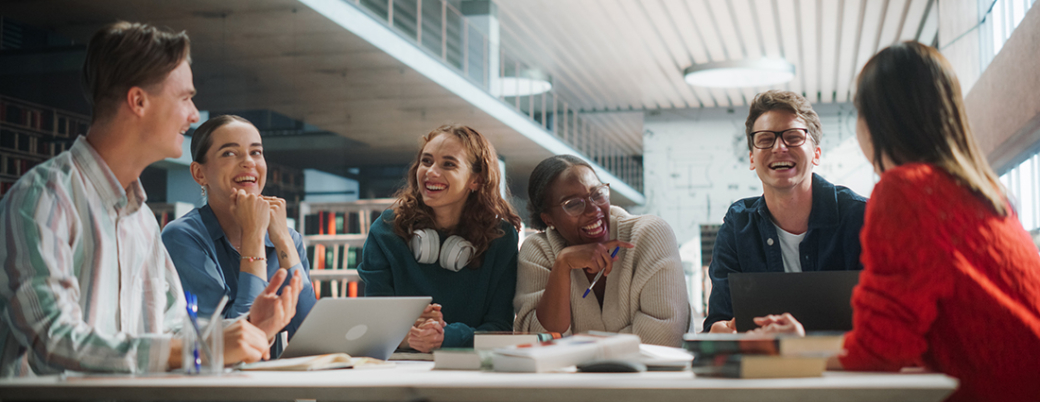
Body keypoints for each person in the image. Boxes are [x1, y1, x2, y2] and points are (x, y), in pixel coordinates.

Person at [752, 41, 1040, 402]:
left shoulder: (906, 191)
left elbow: (880, 351)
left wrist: (790, 351)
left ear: (876, 122)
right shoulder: (982, 191)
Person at [0, 22, 274, 377]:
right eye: (185, 98)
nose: (193, 115)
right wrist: (197, 348)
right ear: (139, 101)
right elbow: (52, 340)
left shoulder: (141, 220)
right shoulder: (44, 199)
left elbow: (171, 332)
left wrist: (251, 326)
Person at [703, 90, 867, 333]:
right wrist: (719, 332)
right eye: (765, 139)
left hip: (845, 369)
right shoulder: (737, 225)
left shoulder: (861, 217)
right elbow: (718, 321)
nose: (779, 147)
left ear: (816, 154)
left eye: (793, 137)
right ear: (751, 158)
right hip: (765, 367)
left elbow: (885, 322)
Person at [358, 124, 522, 352]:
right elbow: (373, 324)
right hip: (399, 368)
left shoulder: (501, 238)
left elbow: (500, 328)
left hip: (470, 370)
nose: (431, 172)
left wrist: (445, 336)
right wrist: (408, 336)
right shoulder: (386, 230)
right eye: (426, 161)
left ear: (476, 180)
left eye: (448, 164)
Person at [162, 115, 314, 351]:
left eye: (256, 152)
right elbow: (234, 340)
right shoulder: (181, 237)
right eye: (229, 153)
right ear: (199, 174)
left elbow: (308, 333)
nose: (248, 162)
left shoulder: (288, 236)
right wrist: (253, 234)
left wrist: (283, 239)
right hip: (218, 382)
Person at [514, 155, 690, 347]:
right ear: (548, 219)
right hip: (567, 378)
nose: (593, 209)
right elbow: (538, 342)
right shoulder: (538, 250)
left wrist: (575, 345)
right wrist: (562, 265)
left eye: (597, 194)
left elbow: (663, 338)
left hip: (650, 376)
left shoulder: (650, 235)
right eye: (573, 204)